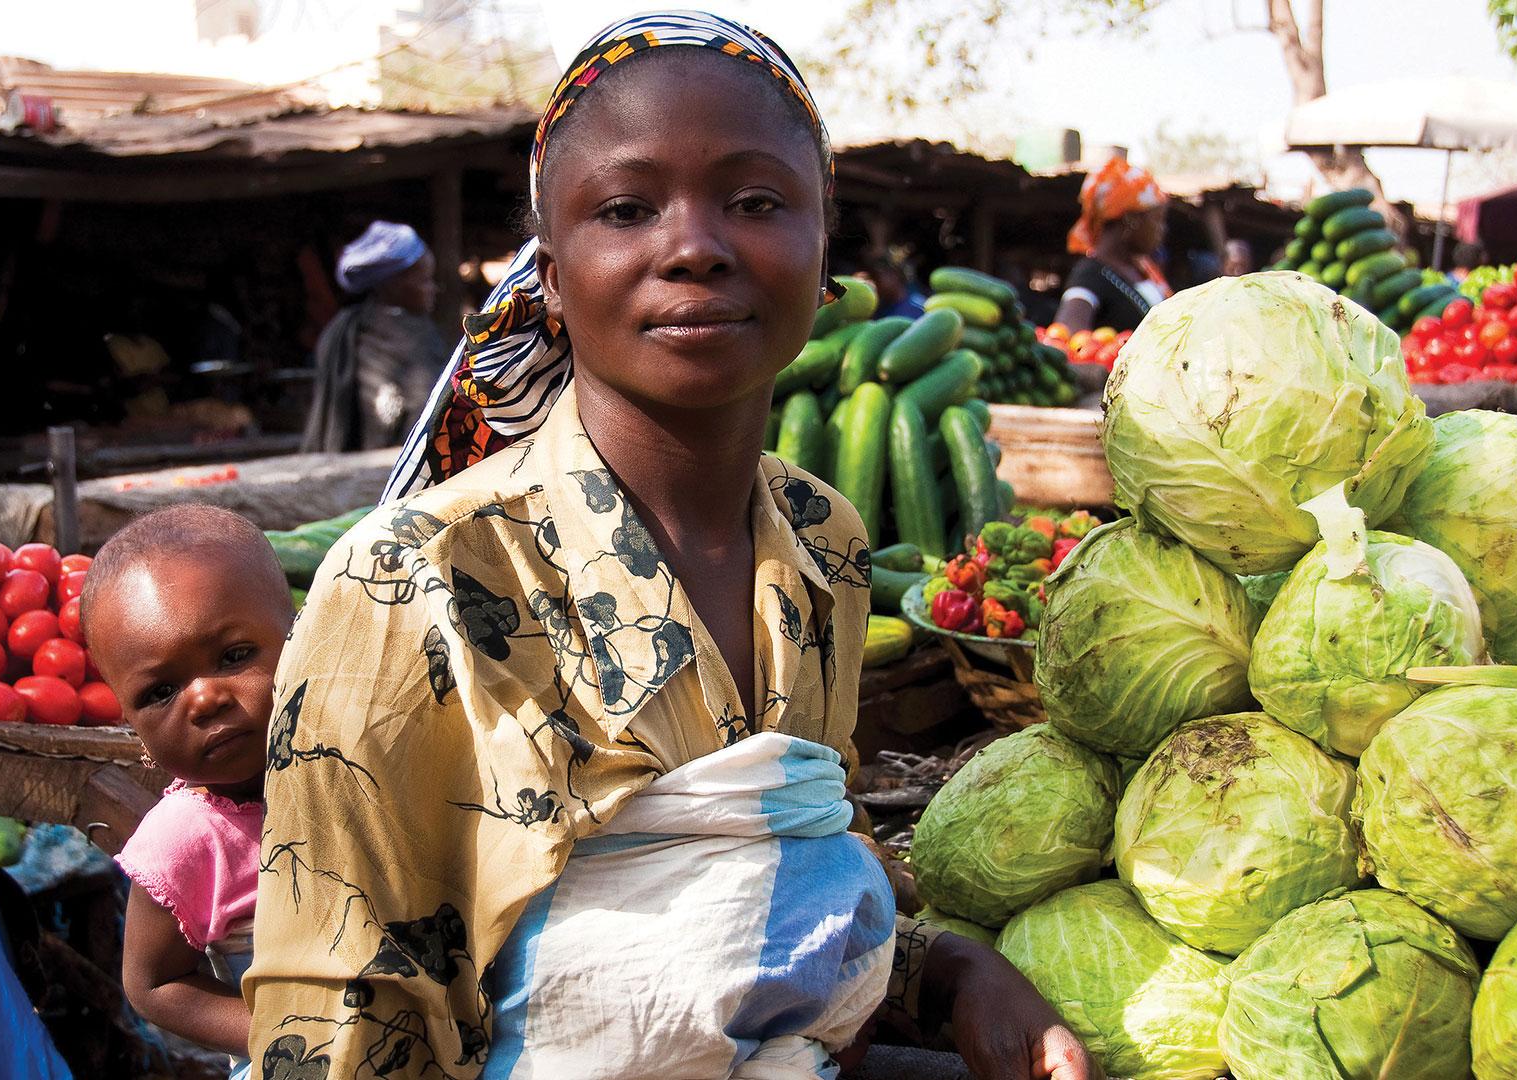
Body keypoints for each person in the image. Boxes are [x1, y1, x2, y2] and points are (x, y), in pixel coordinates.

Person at [246, 12, 1094, 1080]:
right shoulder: (417, 583)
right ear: (550, 272)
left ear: (823, 248)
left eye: (753, 201)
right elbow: (334, 1027)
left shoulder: (824, 544)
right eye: (625, 208)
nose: (694, 245)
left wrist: (952, 973)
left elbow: (782, 886)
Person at [80, 504, 295, 1080]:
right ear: (131, 726)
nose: (204, 699)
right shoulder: (187, 837)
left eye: (234, 657)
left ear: (300, 633)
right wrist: (281, 1031)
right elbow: (155, 983)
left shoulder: (362, 760)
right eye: (159, 693)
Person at [299, 221, 449, 453]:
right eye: (424, 280)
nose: (433, 289)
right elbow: (428, 405)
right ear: (393, 284)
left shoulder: (351, 325)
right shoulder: (413, 336)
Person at [1053, 158, 1172, 333]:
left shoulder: (1142, 269)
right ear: (1131, 220)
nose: (1163, 229)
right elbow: (1067, 333)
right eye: (1158, 219)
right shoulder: (1090, 275)